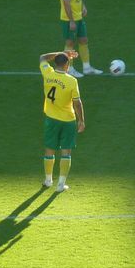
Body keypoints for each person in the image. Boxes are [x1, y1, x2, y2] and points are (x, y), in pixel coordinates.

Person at [40, 50, 85, 192]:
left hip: (51, 119)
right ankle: (60, 185)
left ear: (55, 63)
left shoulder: (47, 73)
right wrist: (81, 120)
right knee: (66, 151)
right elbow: (77, 103)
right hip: (67, 120)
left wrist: (62, 52)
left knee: (49, 149)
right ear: (66, 65)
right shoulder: (71, 81)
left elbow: (42, 57)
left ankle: (48, 180)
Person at [59, 0, 102, 78]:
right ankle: (69, 69)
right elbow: (66, 4)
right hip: (69, 19)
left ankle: (87, 67)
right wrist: (71, 21)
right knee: (70, 43)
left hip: (79, 17)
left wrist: (83, 6)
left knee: (83, 40)